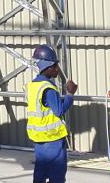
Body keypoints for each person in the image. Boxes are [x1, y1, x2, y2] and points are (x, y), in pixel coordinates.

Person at [27, 45, 78, 183]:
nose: (57, 69)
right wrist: (70, 94)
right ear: (48, 67)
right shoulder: (48, 88)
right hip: (52, 139)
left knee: (40, 174)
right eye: (55, 66)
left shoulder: (33, 86)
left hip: (39, 139)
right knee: (57, 176)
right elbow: (59, 110)